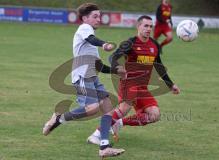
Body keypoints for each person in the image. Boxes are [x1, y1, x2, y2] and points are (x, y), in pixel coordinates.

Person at [42, 3, 125, 158]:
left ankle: (104, 147)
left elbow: (98, 66)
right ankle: (60, 118)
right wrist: (104, 44)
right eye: (95, 16)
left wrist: (115, 71)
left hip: (93, 78)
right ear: (85, 18)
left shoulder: (89, 40)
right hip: (82, 77)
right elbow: (93, 39)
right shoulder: (84, 28)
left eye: (99, 16)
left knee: (107, 106)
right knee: (92, 108)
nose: (98, 19)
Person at [87, 15, 180, 145]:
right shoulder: (130, 43)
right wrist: (117, 67)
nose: (148, 29)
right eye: (145, 26)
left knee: (154, 115)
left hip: (142, 88)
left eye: (150, 26)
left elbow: (159, 66)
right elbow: (113, 57)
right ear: (138, 26)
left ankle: (119, 123)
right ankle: (96, 135)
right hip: (128, 83)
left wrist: (170, 85)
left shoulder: (154, 45)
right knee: (124, 108)